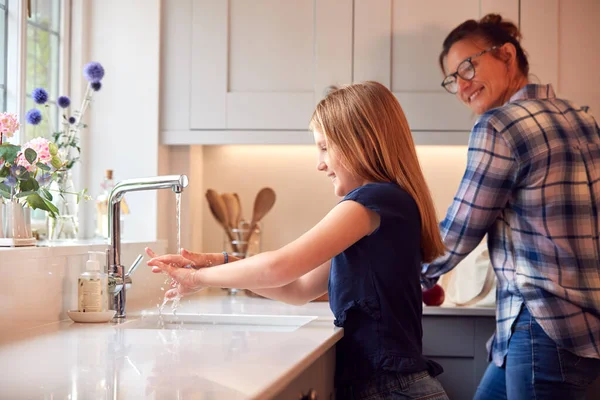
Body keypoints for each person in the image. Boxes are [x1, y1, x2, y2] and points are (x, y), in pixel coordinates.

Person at [147, 81, 450, 400]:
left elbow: (281, 267)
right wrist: (220, 263)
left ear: (359, 142)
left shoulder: (373, 201)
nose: (319, 164)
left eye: (324, 147)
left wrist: (197, 278)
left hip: (392, 391)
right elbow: (298, 288)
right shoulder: (385, 203)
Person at [421, 13, 600, 400]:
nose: (463, 85)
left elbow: (457, 232)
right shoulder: (584, 119)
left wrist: (405, 275)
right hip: (583, 329)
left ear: (507, 54)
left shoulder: (500, 125)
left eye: (468, 66)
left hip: (543, 325)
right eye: (453, 79)